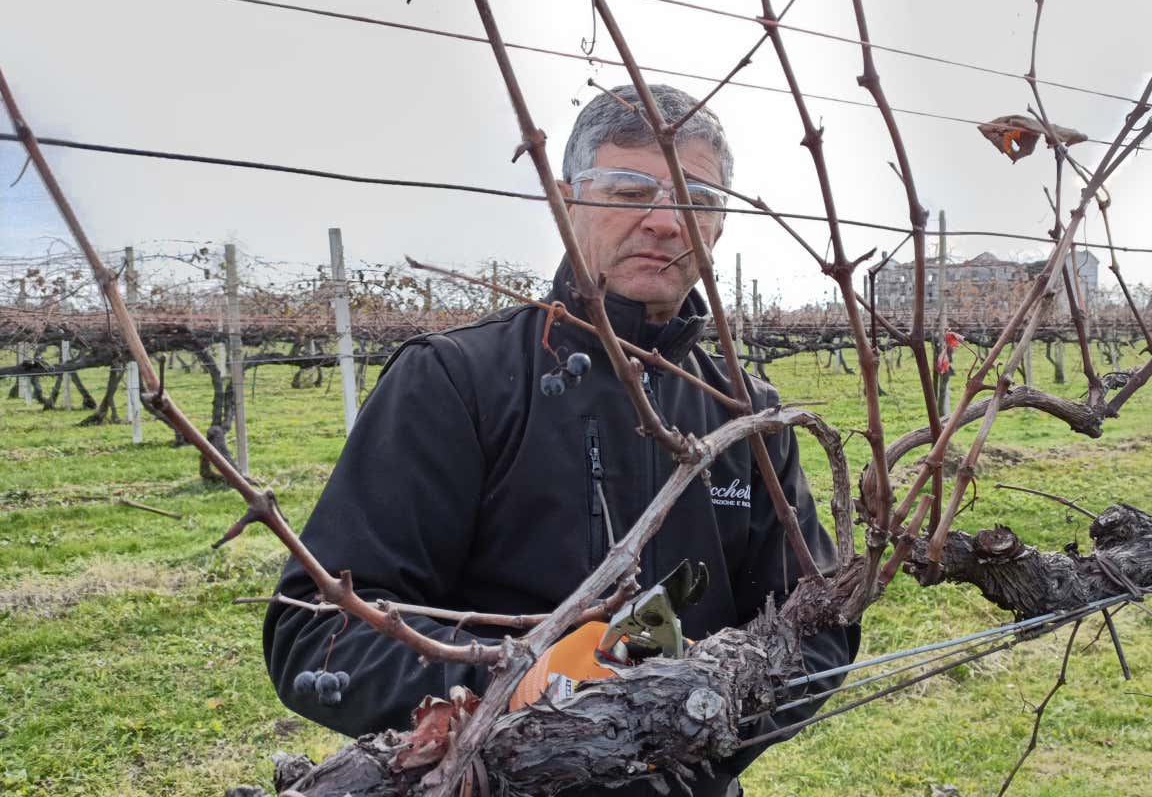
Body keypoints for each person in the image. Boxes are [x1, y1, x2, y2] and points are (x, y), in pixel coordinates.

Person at [264, 84, 858, 796]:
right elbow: (318, 634)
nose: (668, 222)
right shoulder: (457, 382)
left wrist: (704, 716)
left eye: (698, 199)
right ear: (566, 200)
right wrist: (514, 687)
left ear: (721, 227)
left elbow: (819, 625)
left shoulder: (750, 419)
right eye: (631, 189)